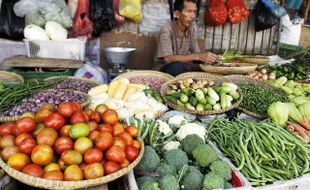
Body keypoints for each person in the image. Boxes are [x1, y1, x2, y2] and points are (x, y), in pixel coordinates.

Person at [156, 0, 219, 76]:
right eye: (189, 11)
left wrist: (208, 58)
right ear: (177, 14)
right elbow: (168, 59)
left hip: (184, 69)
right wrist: (198, 56)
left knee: (205, 68)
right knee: (176, 66)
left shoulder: (191, 29)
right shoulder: (167, 29)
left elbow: (196, 53)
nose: (193, 16)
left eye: (194, 12)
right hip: (165, 71)